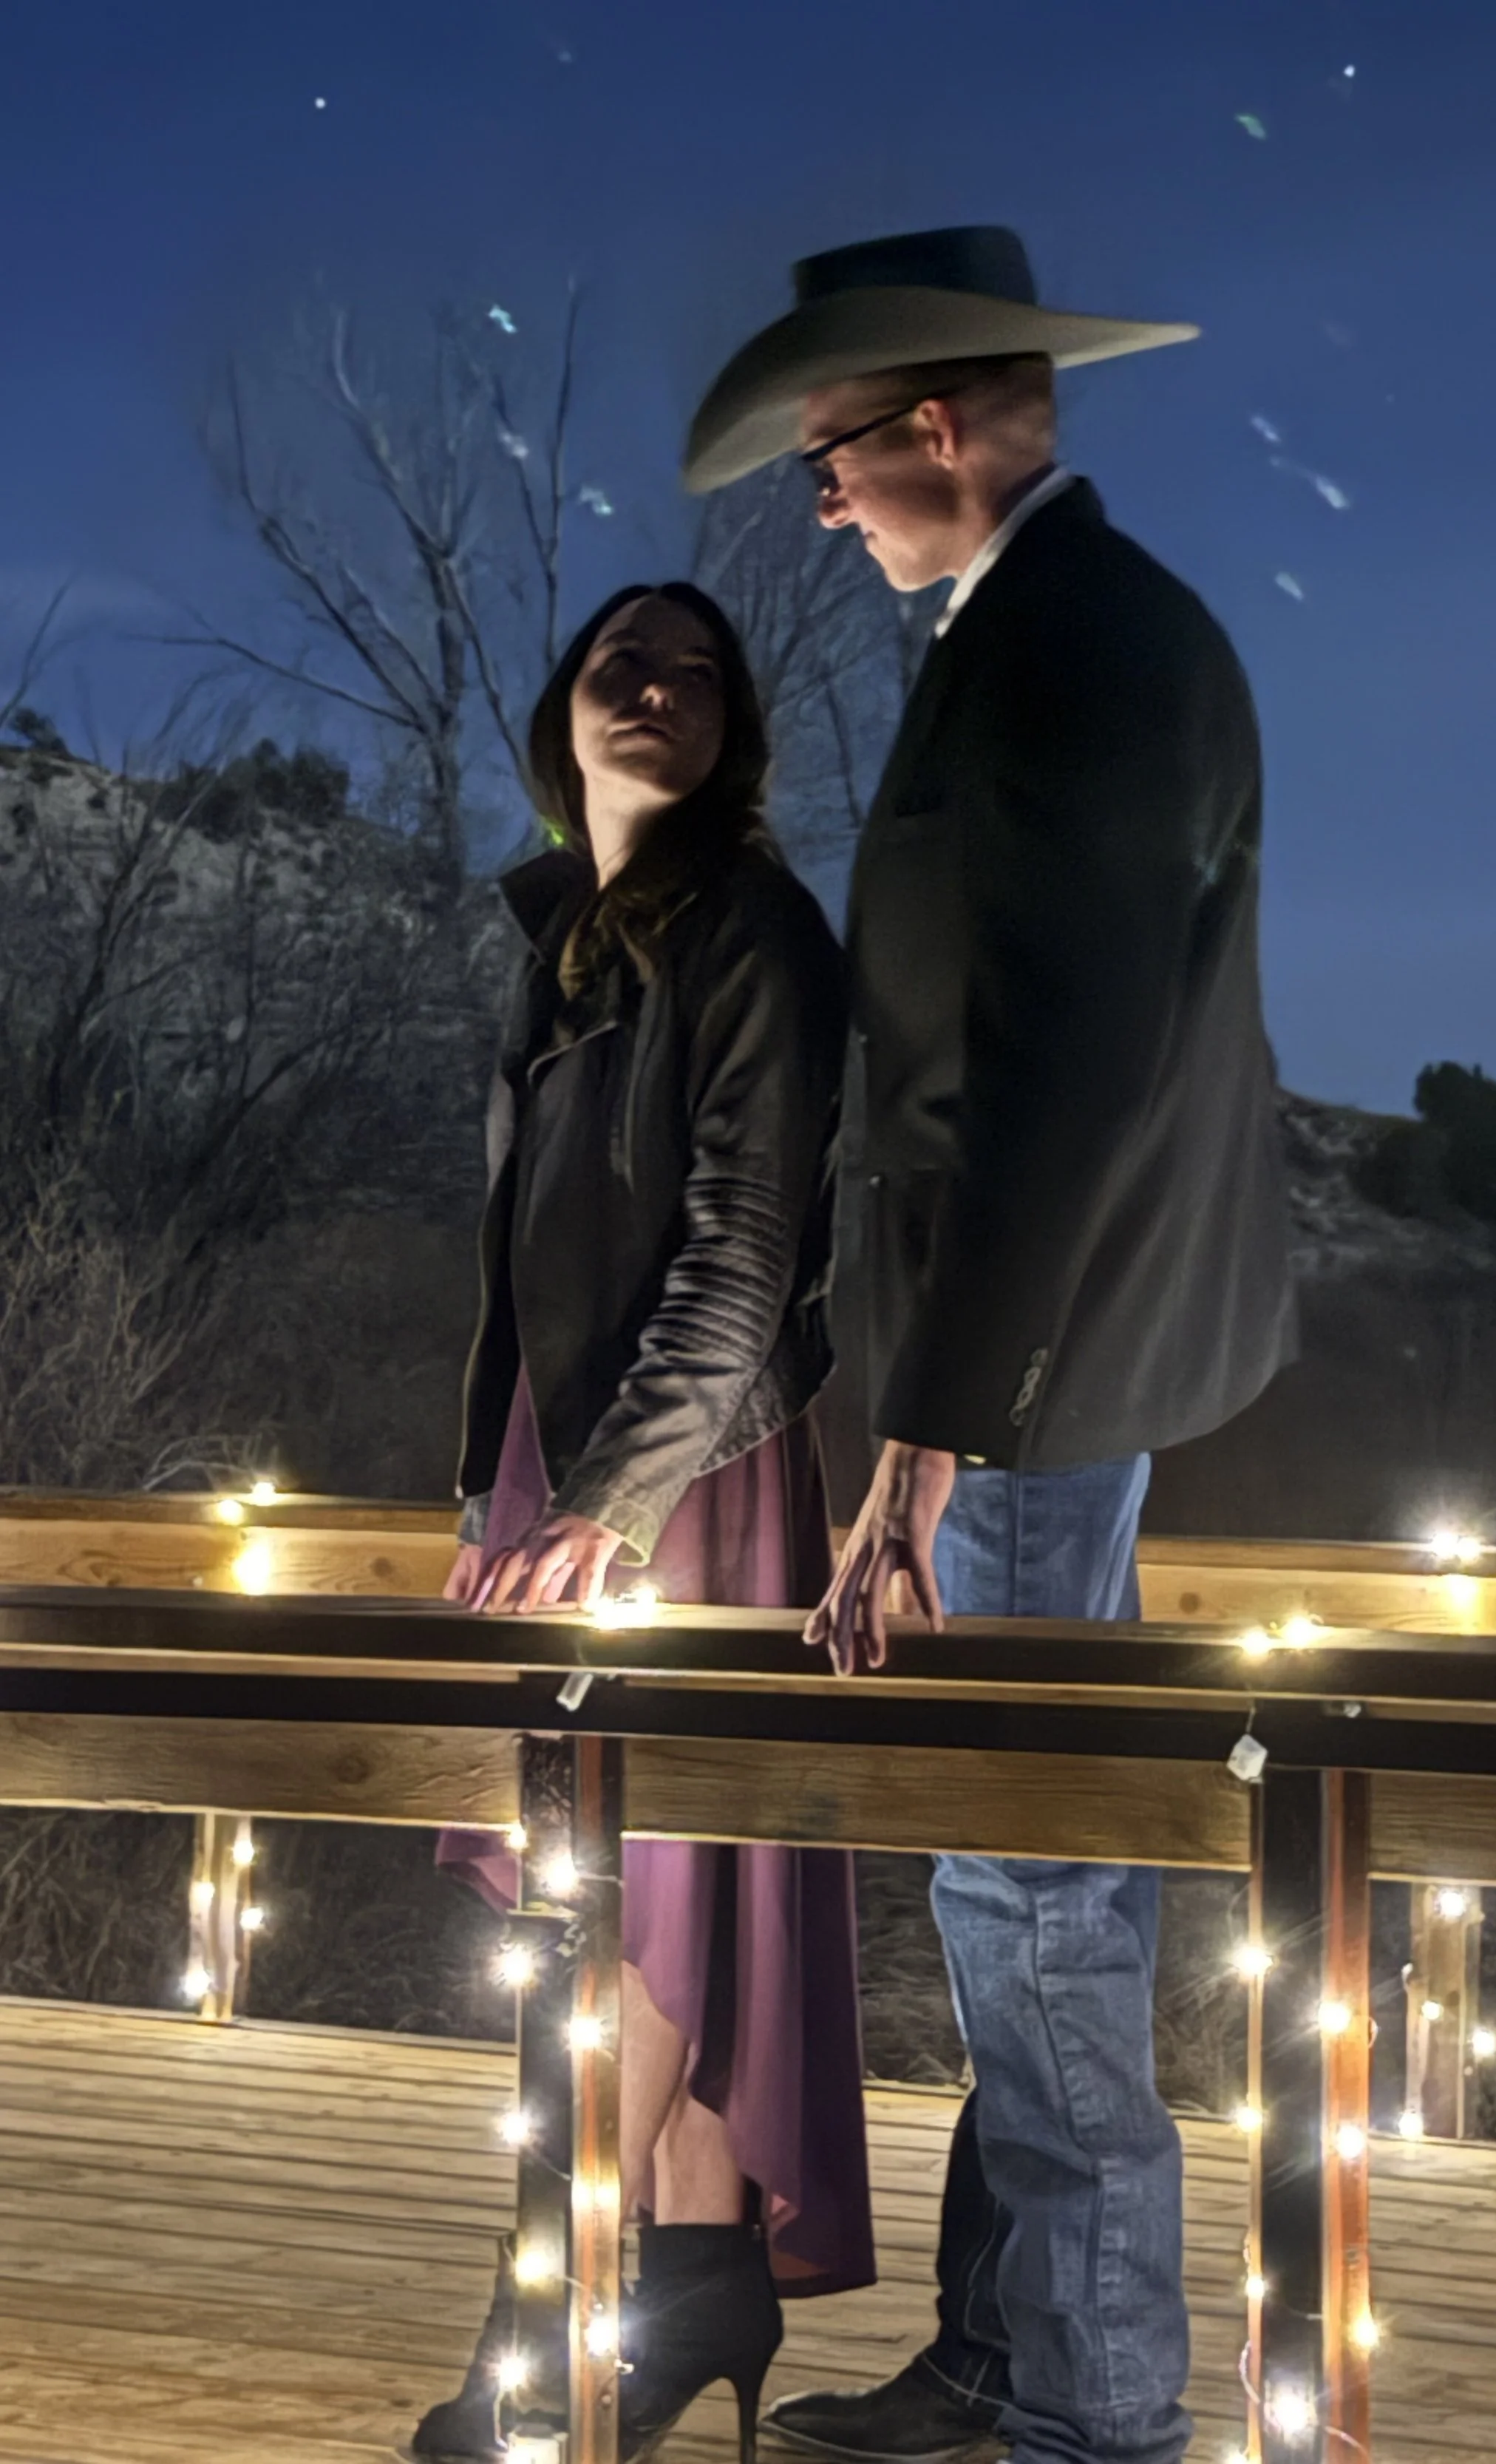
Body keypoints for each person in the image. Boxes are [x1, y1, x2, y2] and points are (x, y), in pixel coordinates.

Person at [683, 230, 1296, 2464]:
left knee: (1031, 1879)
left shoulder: (1082, 652)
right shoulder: (1039, 627)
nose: (821, 502)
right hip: (1035, 1356)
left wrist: (928, 1436)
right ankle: (1014, 2349)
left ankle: (1095, 2412)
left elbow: (1062, 1077)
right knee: (1009, 1851)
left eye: (833, 457)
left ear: (933, 424)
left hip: (1032, 1368)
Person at [409, 581, 873, 2464]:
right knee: (622, 1892)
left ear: (731, 728)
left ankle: (550, 2310)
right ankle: (690, 2277)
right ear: (563, 715)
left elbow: (745, 1252)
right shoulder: (570, 944)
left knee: (632, 1899)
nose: (657, 686)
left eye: (693, 669)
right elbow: (526, 1271)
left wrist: (610, 1503)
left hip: (682, 1470)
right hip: (567, 1468)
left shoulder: (751, 929)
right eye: (622, 661)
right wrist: (489, 1486)